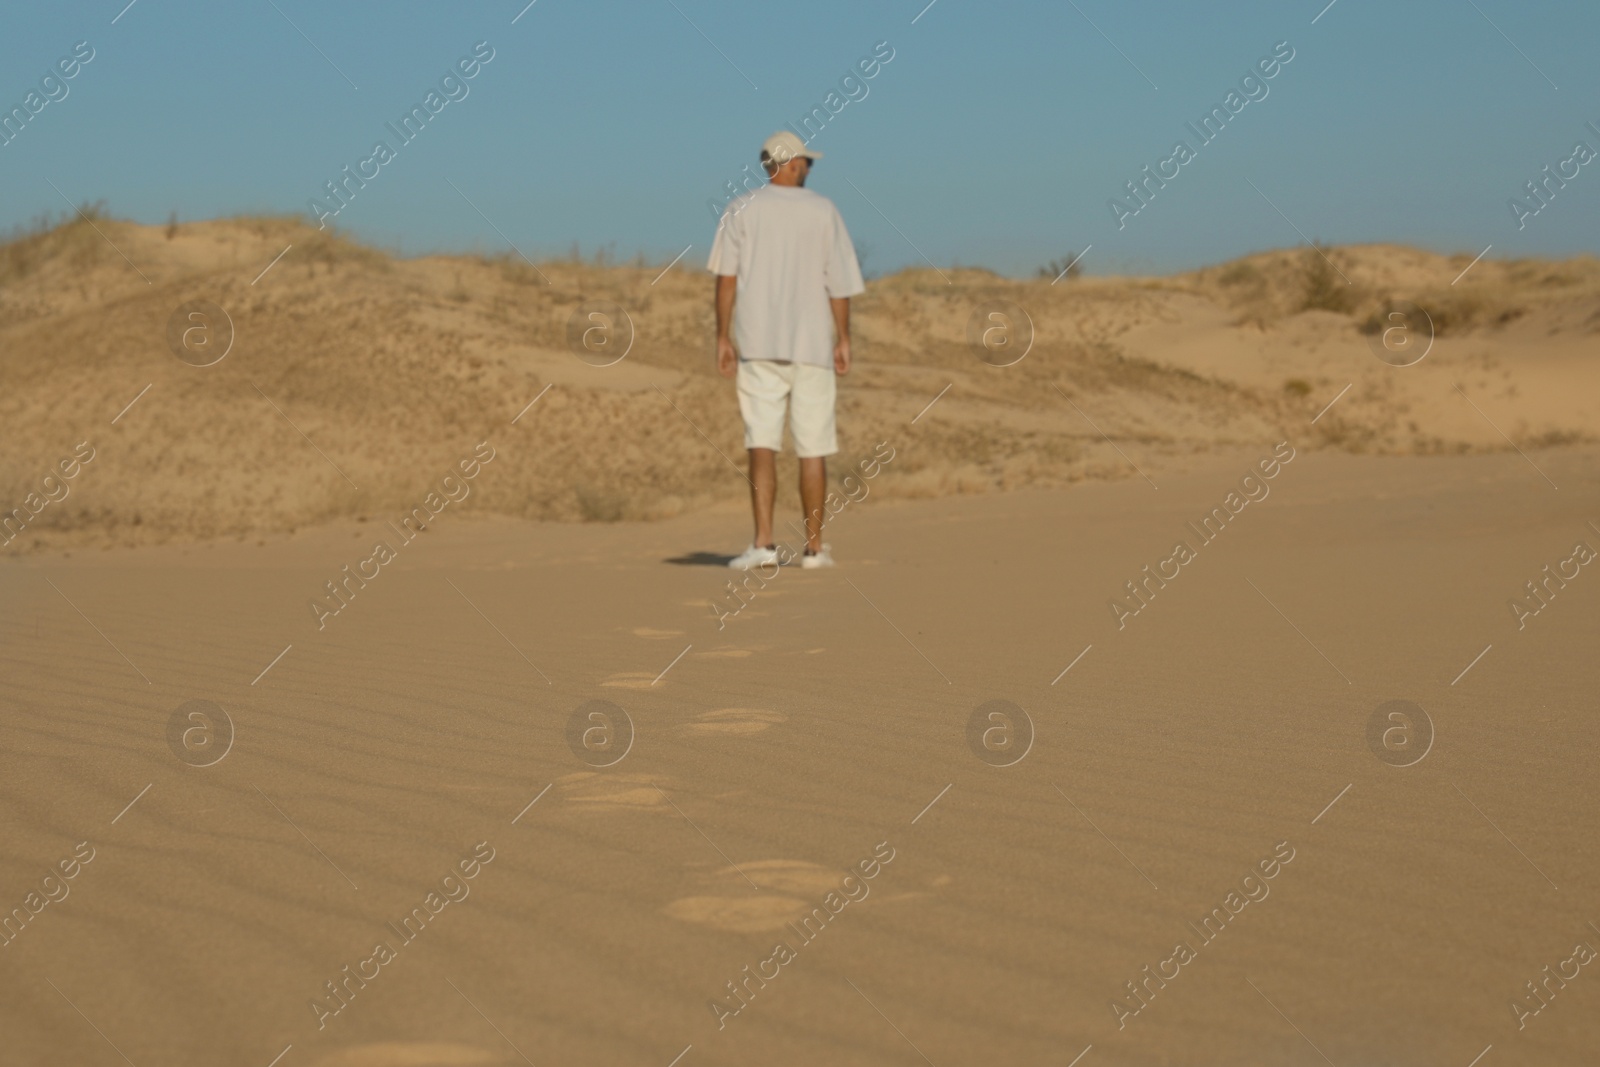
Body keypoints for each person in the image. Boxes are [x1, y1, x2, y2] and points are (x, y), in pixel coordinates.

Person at [707, 130, 865, 571]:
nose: (810, 169)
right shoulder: (823, 210)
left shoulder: (740, 209)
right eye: (807, 163)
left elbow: (726, 280)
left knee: (762, 445)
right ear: (791, 164)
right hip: (812, 344)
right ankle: (813, 549)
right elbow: (839, 282)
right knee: (812, 448)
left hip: (758, 343)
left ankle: (763, 543)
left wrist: (723, 336)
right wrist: (843, 336)